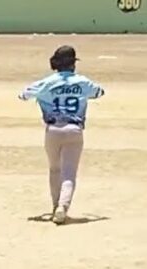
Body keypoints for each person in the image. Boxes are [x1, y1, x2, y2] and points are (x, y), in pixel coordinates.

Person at [19, 45, 105, 224]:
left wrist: (45, 97)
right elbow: (99, 92)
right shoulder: (82, 82)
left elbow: (23, 95)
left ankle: (55, 206)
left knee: (54, 169)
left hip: (53, 130)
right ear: (73, 64)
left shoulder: (47, 82)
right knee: (69, 173)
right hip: (74, 129)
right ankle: (63, 207)